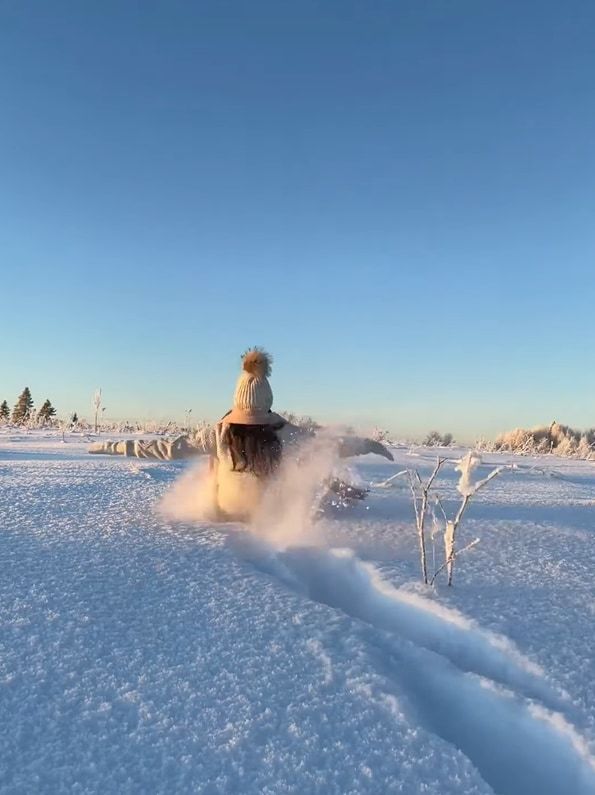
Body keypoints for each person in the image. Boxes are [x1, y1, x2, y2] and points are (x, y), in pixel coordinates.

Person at [89, 348, 393, 521]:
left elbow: (164, 449)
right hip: (268, 515)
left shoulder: (220, 432)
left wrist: (110, 446)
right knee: (306, 464)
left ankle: (340, 489)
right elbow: (330, 446)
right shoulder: (285, 433)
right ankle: (344, 491)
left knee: (220, 467)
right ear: (268, 401)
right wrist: (369, 445)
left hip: (227, 511)